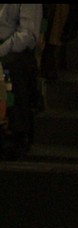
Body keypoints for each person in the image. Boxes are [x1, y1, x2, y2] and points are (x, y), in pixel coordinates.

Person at [0, 3, 42, 158]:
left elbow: (27, 35)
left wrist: (1, 50)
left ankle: (18, 132)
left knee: (14, 65)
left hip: (13, 49)